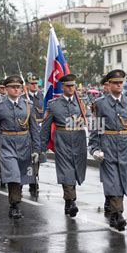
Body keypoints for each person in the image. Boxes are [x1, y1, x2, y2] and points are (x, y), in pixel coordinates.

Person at [89, 69, 127, 231]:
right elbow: (96, 129)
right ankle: (119, 213)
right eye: (115, 83)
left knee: (122, 180)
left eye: (121, 82)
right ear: (109, 84)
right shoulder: (100, 104)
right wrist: (94, 148)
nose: (119, 85)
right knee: (112, 180)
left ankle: (114, 213)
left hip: (125, 146)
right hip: (108, 145)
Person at [0, 75, 41, 219]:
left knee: (22, 175)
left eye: (18, 87)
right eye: (13, 87)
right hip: (7, 143)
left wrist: (37, 149)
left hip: (24, 143)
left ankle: (16, 198)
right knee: (13, 174)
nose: (16, 89)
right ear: (6, 89)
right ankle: (15, 205)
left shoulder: (28, 105)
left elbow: (34, 128)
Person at [40, 74, 88, 217]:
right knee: (66, 171)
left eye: (73, 86)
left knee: (76, 170)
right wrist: (41, 148)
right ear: (62, 87)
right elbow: (45, 127)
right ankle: (72, 201)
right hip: (62, 140)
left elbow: (91, 121)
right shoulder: (53, 104)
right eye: (68, 86)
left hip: (79, 140)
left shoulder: (81, 103)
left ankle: (68, 199)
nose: (71, 88)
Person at [24, 74, 44, 196]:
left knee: (37, 156)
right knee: (26, 157)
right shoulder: (23, 98)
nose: (34, 85)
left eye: (36, 83)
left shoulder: (42, 97)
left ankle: (34, 180)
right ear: (27, 85)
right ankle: (28, 179)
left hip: (39, 131)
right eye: (32, 83)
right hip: (27, 132)